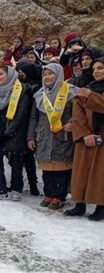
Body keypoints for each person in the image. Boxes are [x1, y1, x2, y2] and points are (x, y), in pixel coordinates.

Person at [27, 63, 77, 210]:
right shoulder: (39, 95)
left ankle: (59, 197)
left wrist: (72, 123)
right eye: (45, 74)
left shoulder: (71, 92)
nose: (47, 77)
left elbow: (79, 114)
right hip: (43, 136)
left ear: (59, 75)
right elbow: (33, 118)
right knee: (47, 169)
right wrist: (31, 137)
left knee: (61, 168)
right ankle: (48, 194)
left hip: (62, 136)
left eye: (51, 74)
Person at [65, 57, 104, 220]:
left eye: (101, 68)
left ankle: (101, 206)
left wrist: (92, 96)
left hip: (102, 138)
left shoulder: (89, 92)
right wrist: (85, 133)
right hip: (86, 138)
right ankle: (79, 204)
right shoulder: (86, 89)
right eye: (94, 69)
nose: (96, 71)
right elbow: (77, 114)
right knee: (81, 173)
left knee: (100, 176)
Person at [0, 66, 33, 201]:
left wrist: (8, 133)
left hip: (15, 131)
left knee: (16, 160)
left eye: (1, 74)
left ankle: (16, 189)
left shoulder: (22, 90)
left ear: (10, 75)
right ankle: (1, 189)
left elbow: (21, 115)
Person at [15, 60, 42, 196]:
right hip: (21, 125)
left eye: (22, 72)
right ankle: (21, 183)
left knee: (28, 157)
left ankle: (33, 184)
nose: (20, 75)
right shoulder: (21, 86)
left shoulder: (35, 87)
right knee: (20, 157)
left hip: (29, 124)